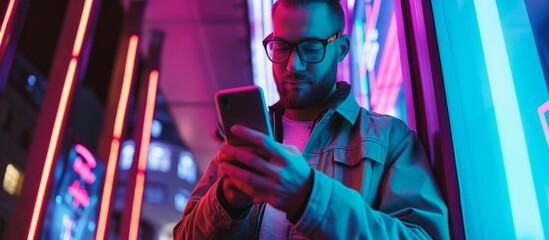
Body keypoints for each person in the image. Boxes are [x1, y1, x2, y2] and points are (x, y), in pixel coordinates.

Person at [173, 0, 450, 239]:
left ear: (341, 49)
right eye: (281, 46)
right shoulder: (247, 139)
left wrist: (308, 196)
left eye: (311, 47)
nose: (294, 65)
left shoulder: (390, 139)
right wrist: (226, 201)